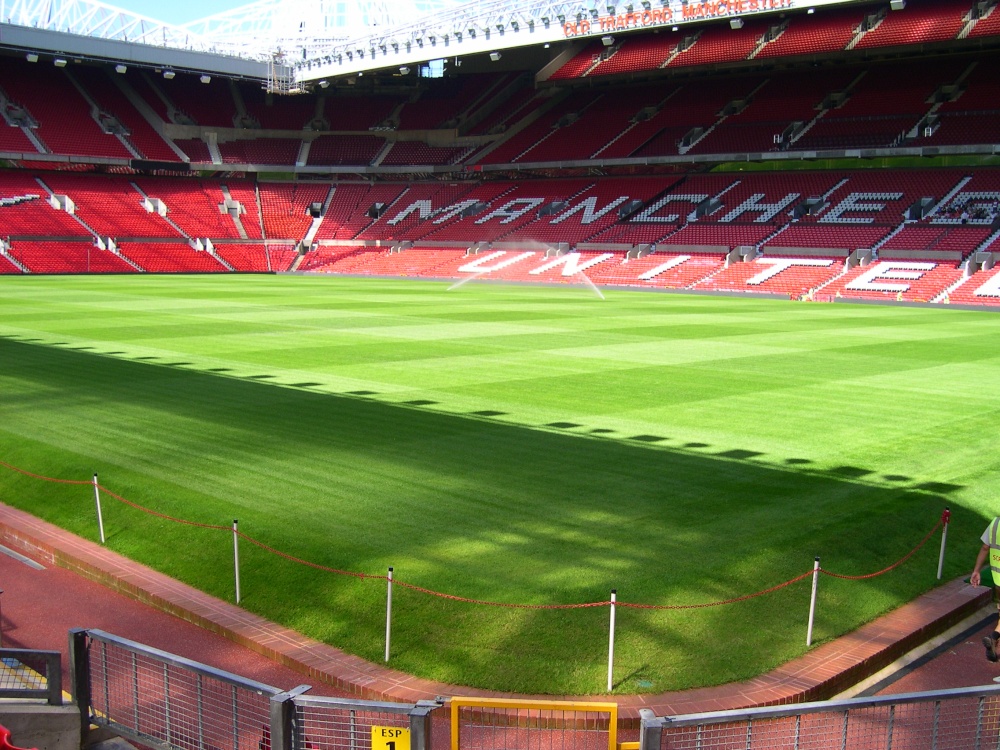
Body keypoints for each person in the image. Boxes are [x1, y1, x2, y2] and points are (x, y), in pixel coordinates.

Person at [971, 517, 1000, 661]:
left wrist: (977, 570)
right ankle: (993, 636)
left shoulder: (995, 523)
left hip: (998, 578)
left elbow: (985, 548)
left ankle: (993, 641)